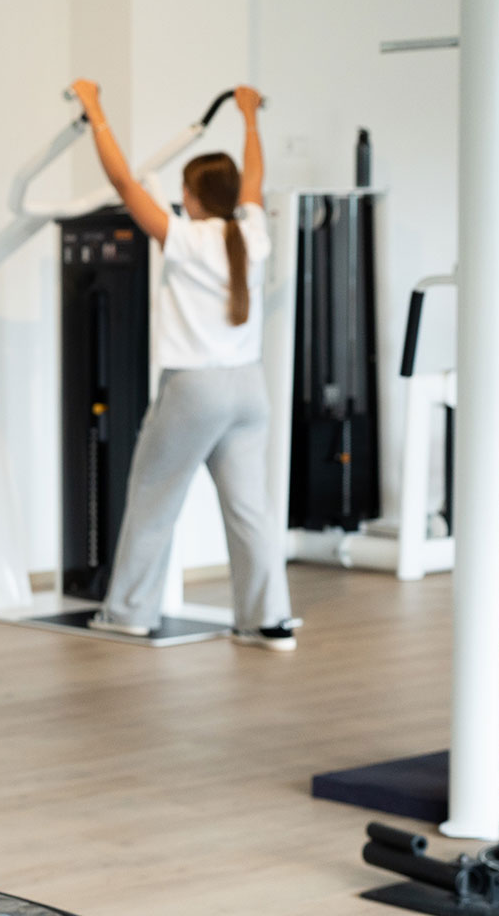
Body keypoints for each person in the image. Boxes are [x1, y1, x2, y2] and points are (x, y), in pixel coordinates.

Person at [71, 78, 295, 652]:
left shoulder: (188, 239)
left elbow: (122, 182)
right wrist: (249, 118)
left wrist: (95, 106)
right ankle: (268, 621)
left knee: (153, 497)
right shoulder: (252, 234)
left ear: (196, 197)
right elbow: (256, 180)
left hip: (195, 390)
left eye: (185, 191)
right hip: (249, 389)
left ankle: (128, 613)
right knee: (251, 512)